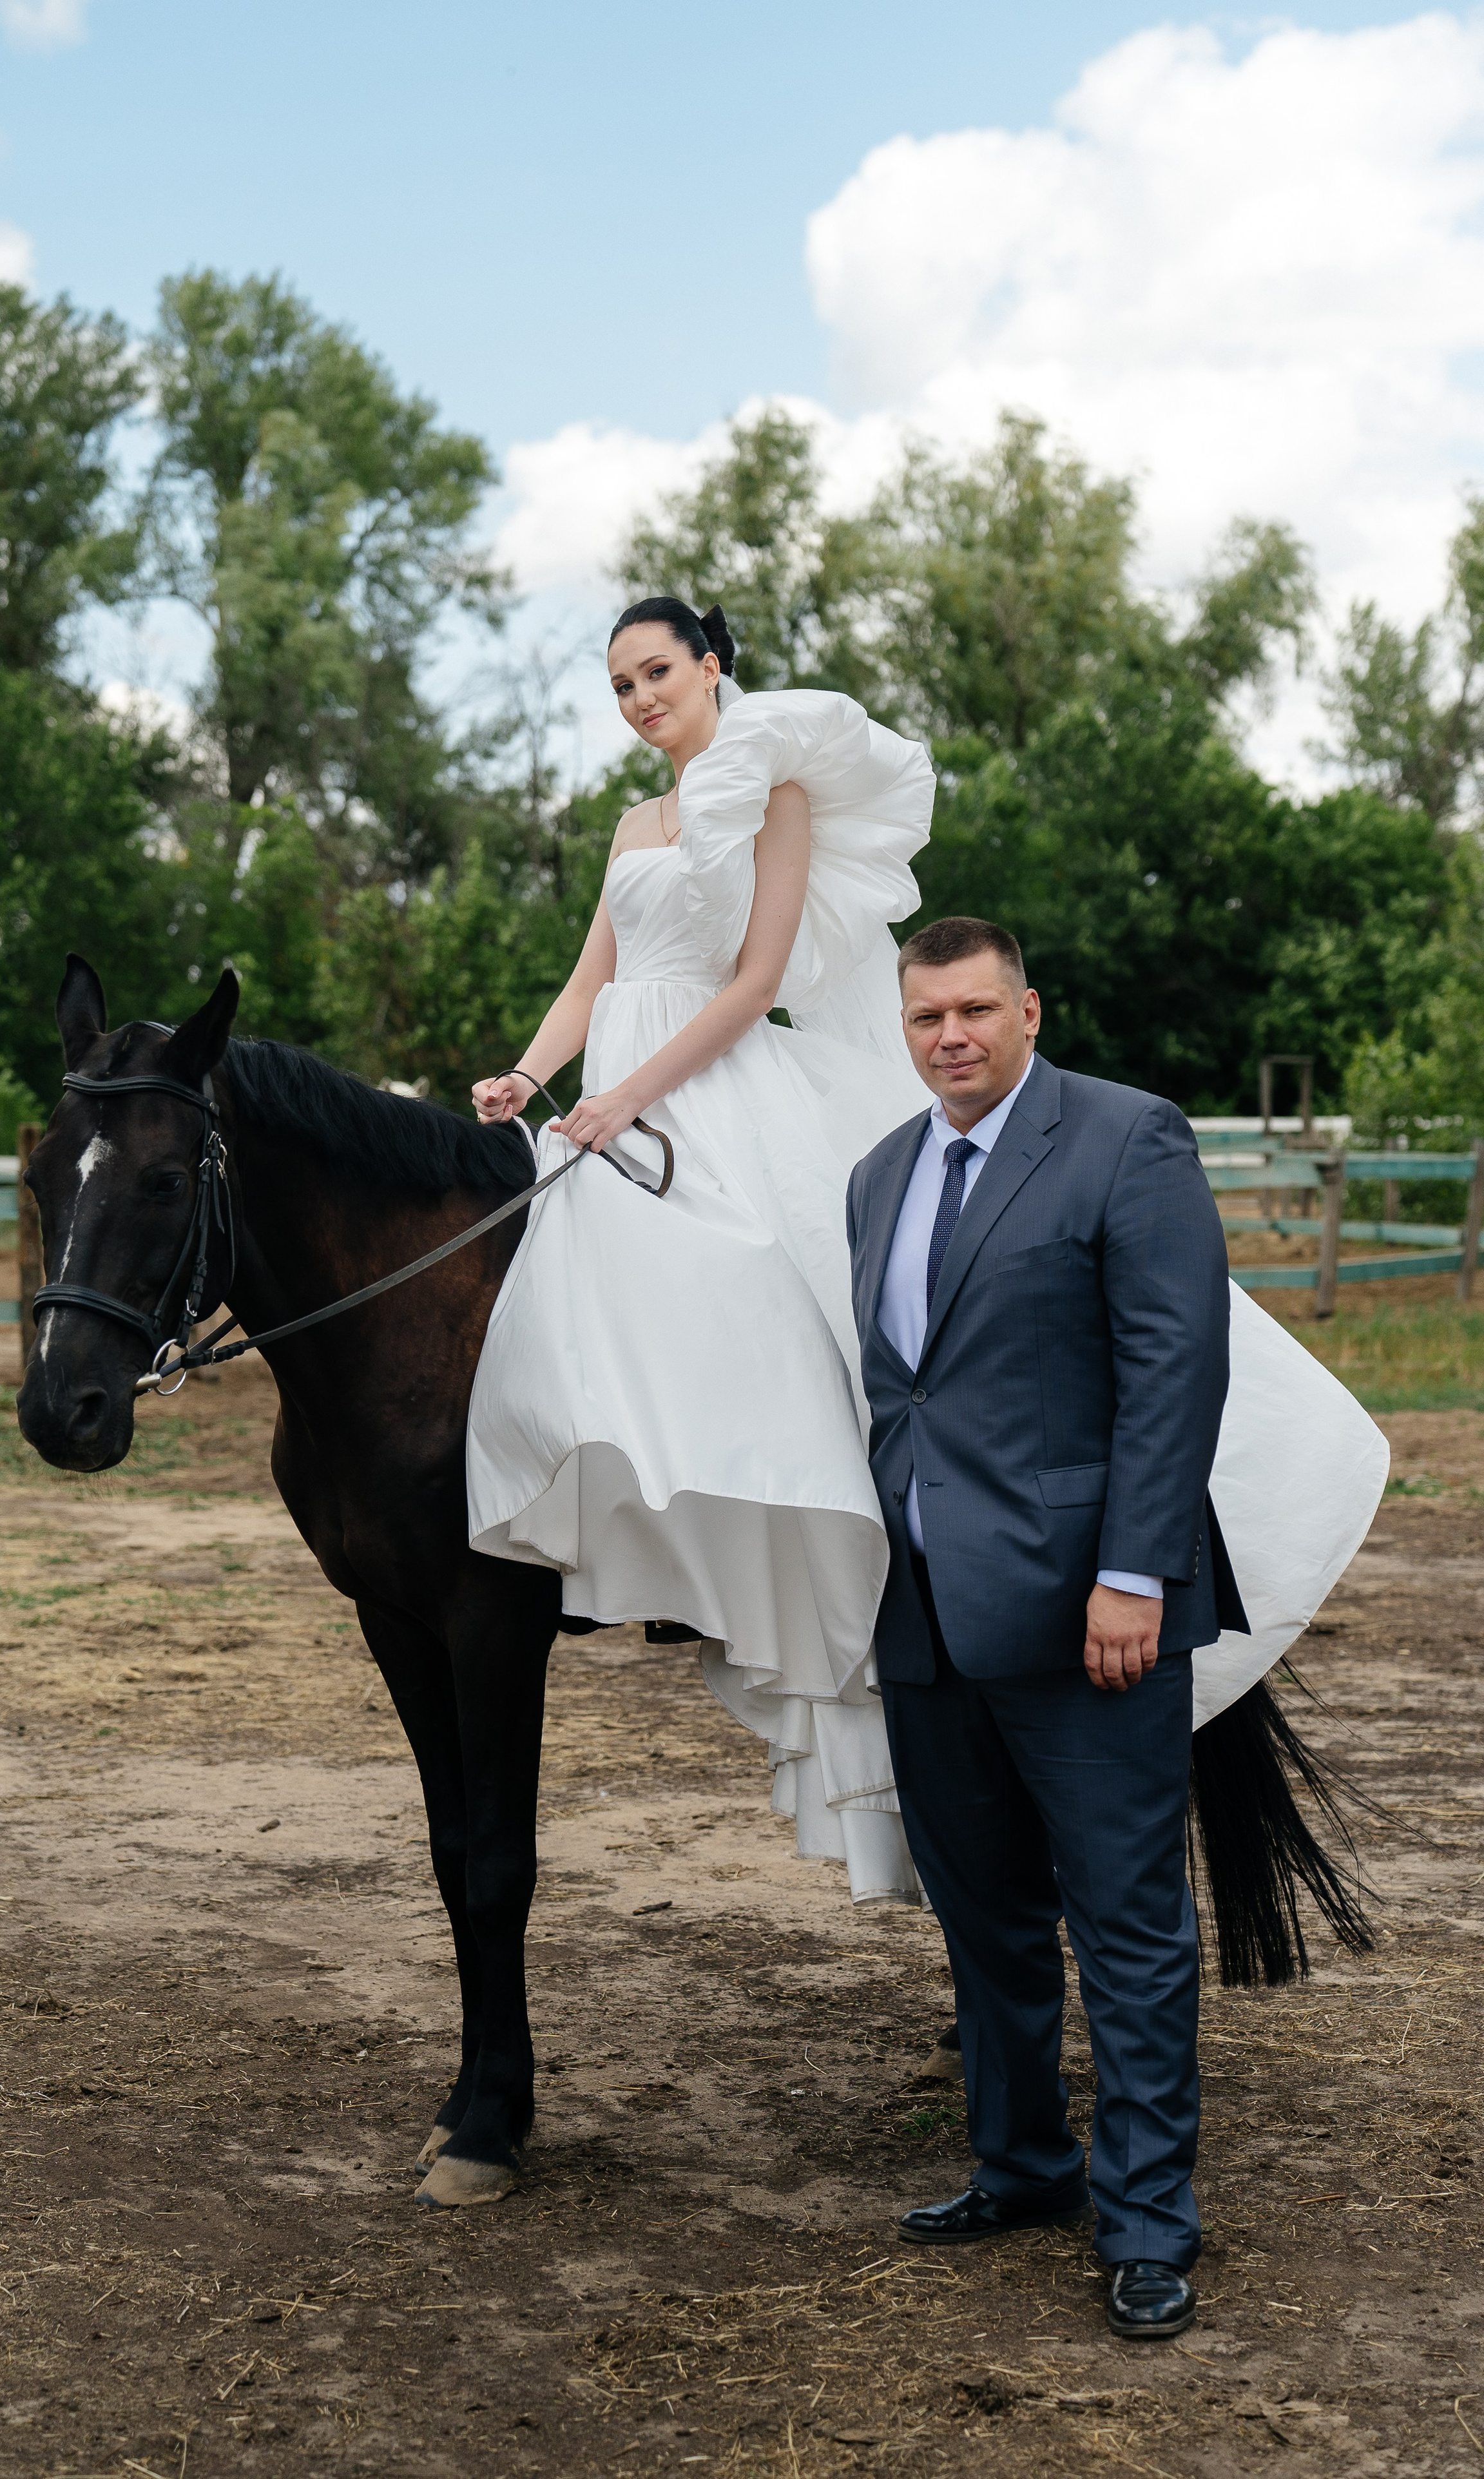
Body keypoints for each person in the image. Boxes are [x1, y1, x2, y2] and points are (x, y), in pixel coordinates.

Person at [843, 914, 1383, 2340]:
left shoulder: (1123, 1138)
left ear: (1029, 1008)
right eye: (922, 1018)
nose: (947, 1036)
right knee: (983, 1919)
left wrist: (1134, 1574)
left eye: (972, 1009)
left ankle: (1145, 2218)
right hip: (927, 1615)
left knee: (1126, 1924)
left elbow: (1171, 1365)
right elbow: (904, 1398)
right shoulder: (876, 1176)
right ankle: (1021, 2166)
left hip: (1096, 1615)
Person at [468, 597, 938, 1904]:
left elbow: (750, 981)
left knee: (753, 1289)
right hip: (608, 1093)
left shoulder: (773, 794)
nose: (637, 697)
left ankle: (811, 1568)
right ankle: (649, 1557)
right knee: (565, 1323)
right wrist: (529, 1071)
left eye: (655, 670)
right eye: (618, 682)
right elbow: (588, 982)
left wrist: (631, 1096)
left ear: (710, 663)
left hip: (709, 1085)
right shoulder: (629, 826)